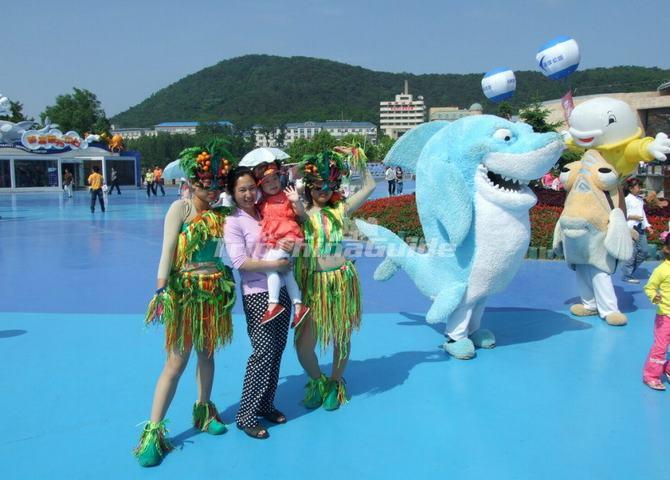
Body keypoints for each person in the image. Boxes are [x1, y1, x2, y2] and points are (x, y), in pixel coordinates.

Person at [134, 143, 237, 467]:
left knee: (207, 354)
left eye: (215, 184)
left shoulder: (224, 213)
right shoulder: (180, 210)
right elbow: (166, 251)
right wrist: (161, 289)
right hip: (185, 293)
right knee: (176, 362)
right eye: (203, 183)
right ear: (191, 182)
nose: (209, 189)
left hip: (214, 291)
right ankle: (153, 432)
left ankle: (204, 411)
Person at [294, 146, 375, 411]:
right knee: (304, 344)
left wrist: (357, 157)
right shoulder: (299, 212)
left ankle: (336, 382)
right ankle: (318, 381)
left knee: (342, 336)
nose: (323, 191)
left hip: (341, 282)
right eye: (317, 186)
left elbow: (370, 185)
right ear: (309, 186)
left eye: (329, 185)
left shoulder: (341, 209)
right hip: (313, 285)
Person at [224, 167, 295, 440]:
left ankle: (266, 404)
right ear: (232, 192)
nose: (248, 193)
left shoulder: (263, 210)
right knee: (262, 352)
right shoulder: (234, 220)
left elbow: (282, 233)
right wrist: (273, 264)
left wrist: (288, 245)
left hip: (281, 288)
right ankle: (245, 415)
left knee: (277, 349)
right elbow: (240, 263)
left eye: (251, 188)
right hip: (256, 293)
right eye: (241, 189)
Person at [256, 162, 310, 326]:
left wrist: (297, 199)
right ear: (261, 186)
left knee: (270, 265)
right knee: (286, 273)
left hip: (288, 238)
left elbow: (300, 214)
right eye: (267, 181)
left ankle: (273, 304)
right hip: (275, 241)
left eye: (274, 179)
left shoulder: (287, 196)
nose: (272, 183)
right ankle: (298, 306)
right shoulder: (262, 203)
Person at [642, 232, 670, 390]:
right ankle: (651, 375)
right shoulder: (662, 270)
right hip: (665, 316)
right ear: (667, 249)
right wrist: (654, 296)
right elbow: (650, 287)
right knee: (661, 347)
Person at [622, 177, 653, 284]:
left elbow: (642, 214)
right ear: (631, 188)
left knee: (644, 251)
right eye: (638, 186)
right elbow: (621, 214)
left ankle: (628, 270)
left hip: (640, 228)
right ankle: (627, 275)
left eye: (640, 186)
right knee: (632, 252)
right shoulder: (626, 200)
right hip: (631, 228)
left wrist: (647, 226)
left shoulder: (640, 200)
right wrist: (632, 217)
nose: (639, 188)